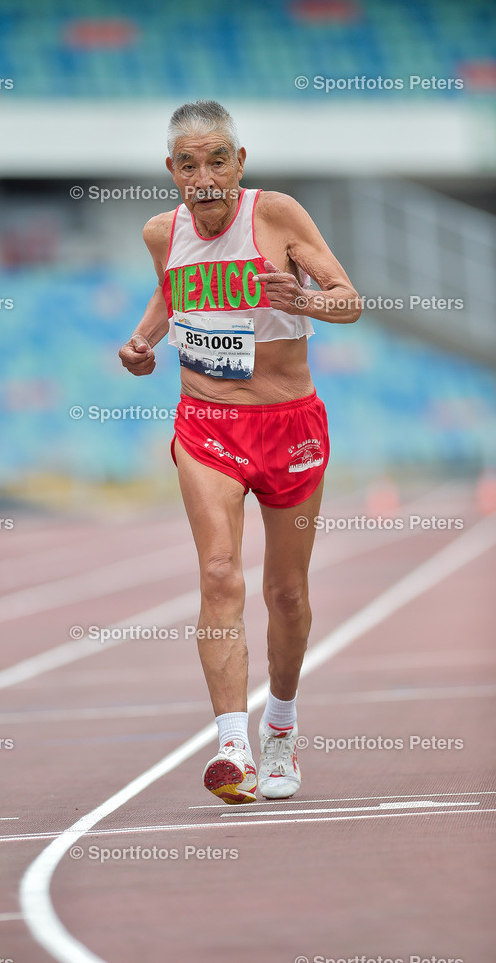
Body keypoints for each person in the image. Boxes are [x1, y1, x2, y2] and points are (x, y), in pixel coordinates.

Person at [119, 101, 361, 803]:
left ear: (238, 162)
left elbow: (350, 300)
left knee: (285, 594)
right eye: (189, 165)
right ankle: (232, 748)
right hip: (207, 425)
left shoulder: (277, 215)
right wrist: (142, 343)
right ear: (172, 171)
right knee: (219, 573)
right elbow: (170, 295)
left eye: (216, 160)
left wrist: (309, 301)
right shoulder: (160, 232)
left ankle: (279, 729)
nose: (204, 177)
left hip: (289, 425)